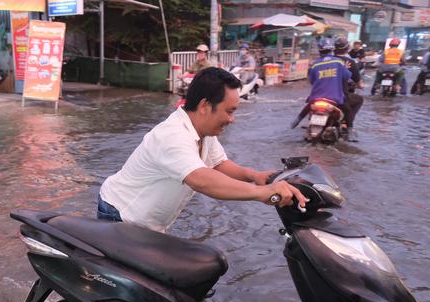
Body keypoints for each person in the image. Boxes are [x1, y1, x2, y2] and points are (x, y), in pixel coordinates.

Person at [97, 67, 306, 233]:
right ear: (205, 105)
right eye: (229, 111)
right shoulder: (172, 135)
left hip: (146, 221)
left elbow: (218, 164)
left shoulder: (203, 130)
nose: (232, 120)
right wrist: (260, 193)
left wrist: (256, 176)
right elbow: (201, 179)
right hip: (120, 214)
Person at [290, 38, 358, 142]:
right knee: (348, 111)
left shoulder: (315, 64)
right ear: (332, 50)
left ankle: (296, 121)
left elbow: (312, 82)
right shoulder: (339, 62)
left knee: (309, 106)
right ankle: (350, 133)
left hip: (317, 98)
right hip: (335, 98)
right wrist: (346, 69)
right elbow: (346, 78)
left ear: (319, 51)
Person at [334, 37, 364, 141]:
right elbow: (357, 81)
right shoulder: (349, 63)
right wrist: (360, 85)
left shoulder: (327, 62)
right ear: (347, 50)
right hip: (340, 96)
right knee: (359, 100)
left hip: (322, 95)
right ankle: (347, 123)